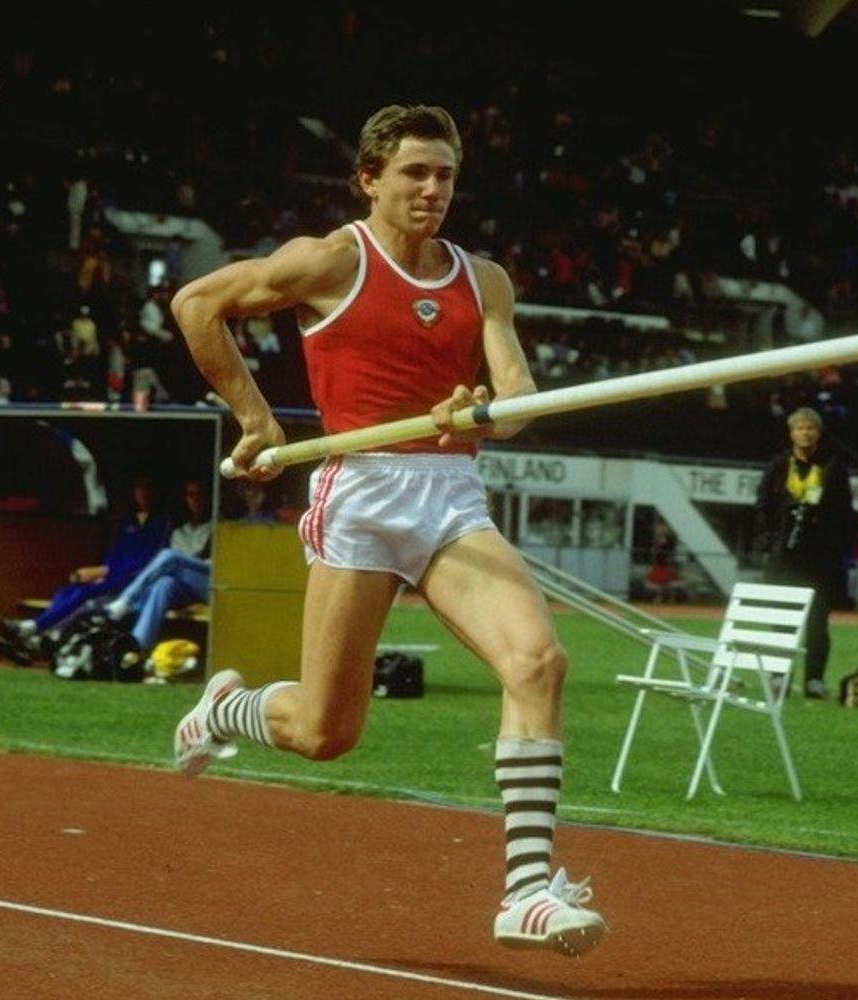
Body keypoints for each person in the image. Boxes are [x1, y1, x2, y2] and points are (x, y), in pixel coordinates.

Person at [166, 104, 606, 955]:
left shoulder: (484, 280)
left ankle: (526, 891)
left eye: (445, 175)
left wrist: (485, 408)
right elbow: (196, 303)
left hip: (451, 495)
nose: (432, 189)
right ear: (369, 179)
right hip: (362, 495)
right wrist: (255, 418)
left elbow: (518, 397)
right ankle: (229, 709)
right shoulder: (332, 260)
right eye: (415, 173)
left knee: (538, 661)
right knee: (326, 733)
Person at [0, 473, 171, 663]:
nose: (143, 492)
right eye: (139, 487)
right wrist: (103, 571)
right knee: (66, 592)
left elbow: (148, 562)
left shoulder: (162, 522)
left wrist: (105, 572)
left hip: (133, 581)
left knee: (85, 594)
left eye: (148, 487)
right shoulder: (129, 521)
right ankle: (36, 639)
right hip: (112, 575)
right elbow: (115, 553)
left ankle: (30, 629)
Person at [753, 406, 856, 699]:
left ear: (818, 433)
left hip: (820, 559)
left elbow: (846, 512)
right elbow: (762, 507)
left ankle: (814, 679)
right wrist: (767, 542)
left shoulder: (833, 468)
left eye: (810, 428)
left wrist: (837, 547)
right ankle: (779, 677)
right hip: (784, 557)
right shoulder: (778, 466)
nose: (805, 433)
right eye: (800, 428)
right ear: (791, 433)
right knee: (781, 621)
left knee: (817, 622)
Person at [104, 480, 213, 656]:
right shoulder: (179, 531)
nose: (195, 499)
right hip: (186, 582)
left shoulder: (218, 527)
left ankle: (126, 601)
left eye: (200, 494)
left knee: (170, 556)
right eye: (190, 495)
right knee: (164, 583)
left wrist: (186, 561)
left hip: (211, 582)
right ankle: (136, 648)